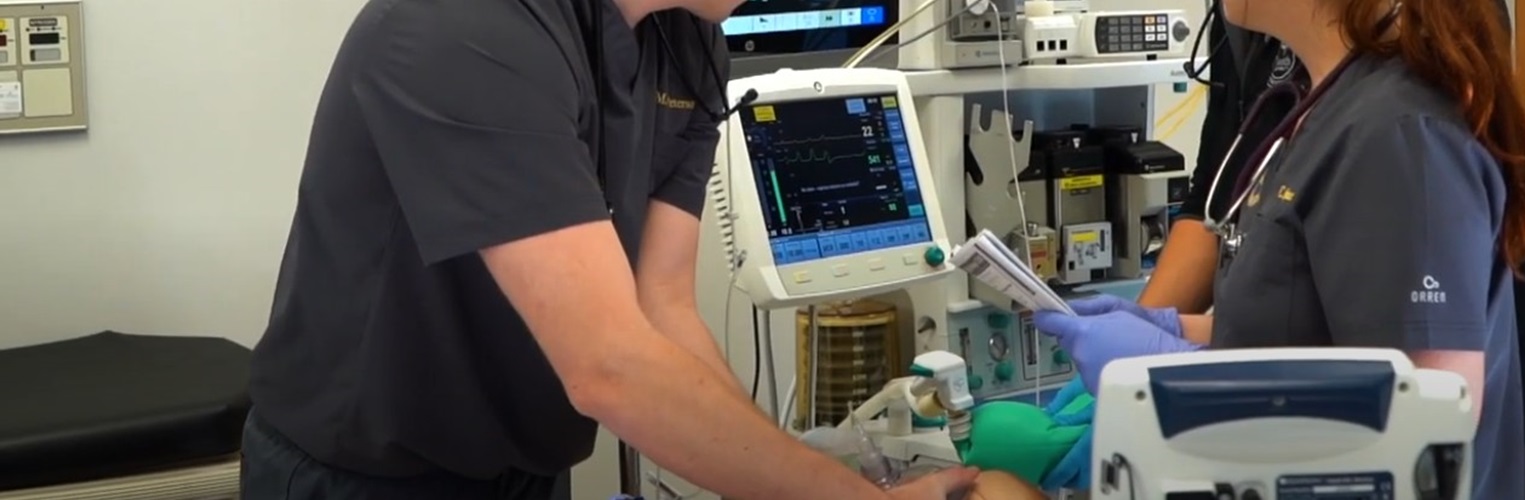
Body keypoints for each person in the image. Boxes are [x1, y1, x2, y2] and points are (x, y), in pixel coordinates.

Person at [240, 0, 979, 498]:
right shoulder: (460, 28)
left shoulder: (686, 47)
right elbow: (609, 365)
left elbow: (659, 309)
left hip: (523, 464)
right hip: (362, 472)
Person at [1036, 0, 1525, 498]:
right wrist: (1174, 329)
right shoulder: (1321, 104)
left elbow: (1426, 416)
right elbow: (1309, 325)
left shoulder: (1400, 135)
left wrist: (1173, 371)